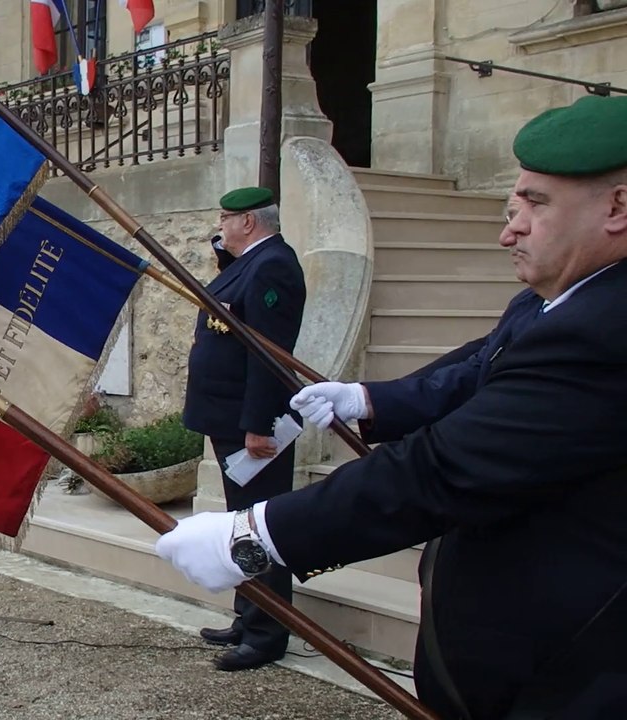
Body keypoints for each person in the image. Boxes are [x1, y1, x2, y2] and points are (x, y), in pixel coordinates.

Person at [155, 94, 627, 719]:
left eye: (535, 205)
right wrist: (370, 398)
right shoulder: (558, 301)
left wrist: (257, 536)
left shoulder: (605, 327)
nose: (508, 229)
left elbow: (439, 470)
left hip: (572, 673)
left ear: (617, 207)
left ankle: (263, 625)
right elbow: (478, 365)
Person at [179, 186, 306, 672]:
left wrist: (257, 424)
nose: (220, 227)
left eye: (226, 221)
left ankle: (267, 633)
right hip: (229, 416)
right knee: (241, 524)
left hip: (250, 422)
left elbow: (268, 352)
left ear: (248, 222)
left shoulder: (273, 264)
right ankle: (248, 613)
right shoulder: (251, 262)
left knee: (260, 529)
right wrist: (222, 253)